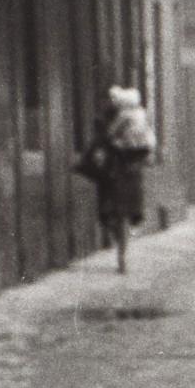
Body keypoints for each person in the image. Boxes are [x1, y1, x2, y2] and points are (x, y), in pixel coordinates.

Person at [77, 86, 156, 273]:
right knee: (111, 215)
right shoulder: (123, 116)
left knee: (120, 214)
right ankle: (121, 246)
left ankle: (122, 255)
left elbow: (104, 140)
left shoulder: (125, 118)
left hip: (121, 171)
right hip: (115, 172)